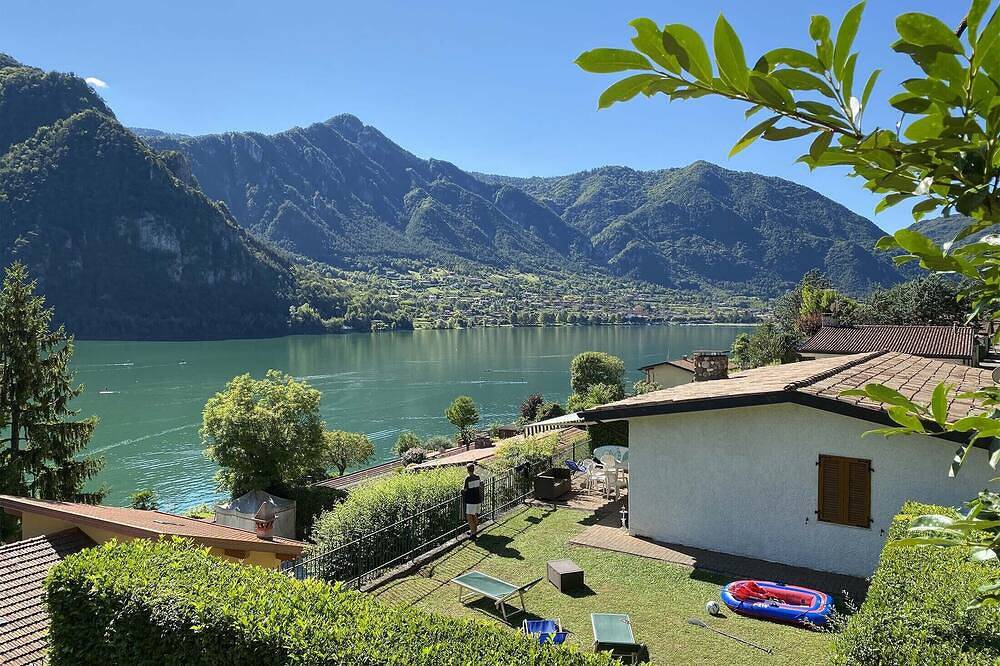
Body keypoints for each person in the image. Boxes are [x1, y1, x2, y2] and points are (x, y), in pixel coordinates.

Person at [463, 463, 483, 540]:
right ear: (473, 469)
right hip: (477, 499)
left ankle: (473, 533)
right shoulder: (477, 477)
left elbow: (465, 489)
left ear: (467, 470)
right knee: (474, 515)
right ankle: (474, 531)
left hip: (471, 500)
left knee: (469, 517)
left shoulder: (468, 478)